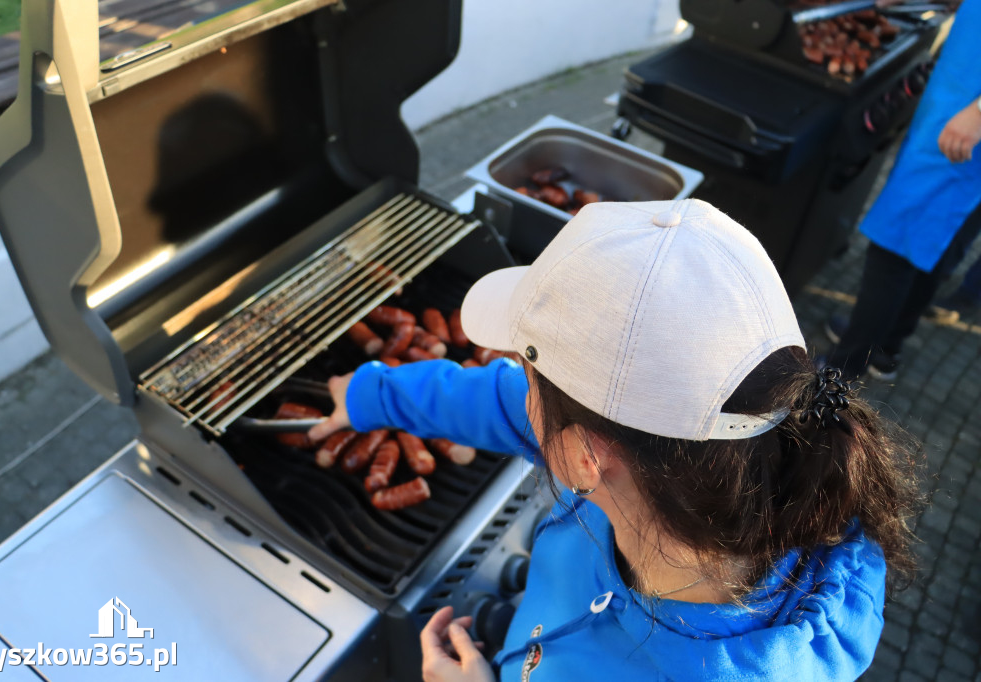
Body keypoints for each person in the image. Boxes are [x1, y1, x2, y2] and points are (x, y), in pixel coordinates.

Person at [308, 200, 923, 681]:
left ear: (584, 457)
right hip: (551, 630)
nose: (518, 395)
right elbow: (500, 403)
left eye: (531, 382)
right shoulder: (747, 458)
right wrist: (370, 396)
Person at [824, 0, 981, 379]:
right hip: (957, 96)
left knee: (896, 243)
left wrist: (979, 113)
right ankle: (885, 345)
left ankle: (842, 371)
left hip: (965, 124)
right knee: (938, 242)